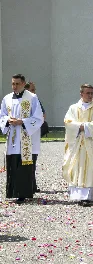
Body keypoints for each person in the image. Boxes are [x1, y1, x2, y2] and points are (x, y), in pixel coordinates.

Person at [0, 74, 44, 204]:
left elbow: (38, 118)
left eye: (17, 84)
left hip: (27, 138)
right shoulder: (7, 98)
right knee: (13, 164)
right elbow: (2, 115)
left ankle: (23, 193)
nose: (14, 86)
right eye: (13, 83)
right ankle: (13, 192)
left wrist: (22, 121)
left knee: (24, 166)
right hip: (13, 139)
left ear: (24, 84)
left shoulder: (32, 98)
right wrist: (8, 121)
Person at [63, 84, 93, 207]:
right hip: (76, 143)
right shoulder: (73, 108)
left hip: (90, 143)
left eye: (91, 93)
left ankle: (87, 196)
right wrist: (80, 127)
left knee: (89, 169)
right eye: (87, 93)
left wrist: (86, 127)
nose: (90, 95)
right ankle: (76, 196)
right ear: (81, 94)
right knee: (76, 167)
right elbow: (68, 122)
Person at [24, 81, 47, 192]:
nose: (34, 92)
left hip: (33, 135)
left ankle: (32, 184)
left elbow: (43, 115)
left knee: (32, 160)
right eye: (32, 90)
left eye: (34, 90)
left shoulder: (35, 100)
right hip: (23, 136)